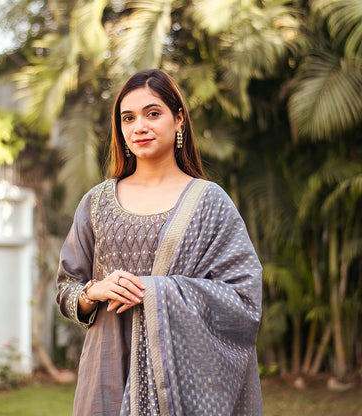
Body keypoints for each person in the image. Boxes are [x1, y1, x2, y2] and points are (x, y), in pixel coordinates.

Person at [56, 69, 263, 416]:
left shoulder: (209, 202)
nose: (139, 126)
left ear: (178, 118)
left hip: (180, 383)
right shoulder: (96, 202)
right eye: (128, 118)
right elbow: (66, 287)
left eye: (153, 113)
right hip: (106, 372)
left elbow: (244, 297)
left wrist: (156, 292)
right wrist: (95, 292)